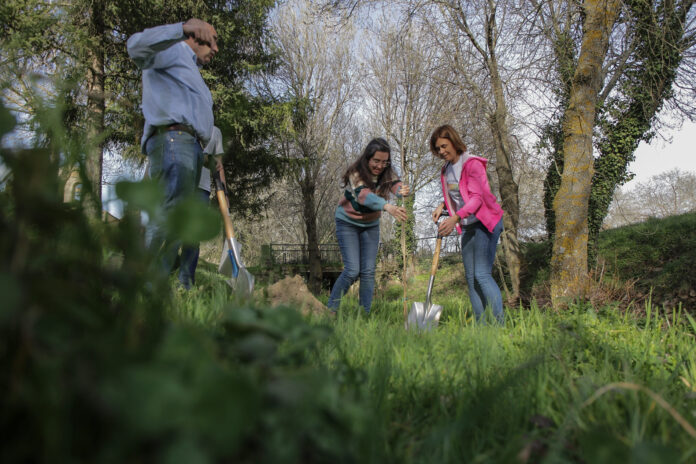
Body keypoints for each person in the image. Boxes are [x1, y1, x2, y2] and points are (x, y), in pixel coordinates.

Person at [127, 19, 219, 286]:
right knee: (168, 215)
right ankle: (139, 284)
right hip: (173, 141)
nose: (215, 49)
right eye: (212, 40)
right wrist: (182, 28)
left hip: (189, 147)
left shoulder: (189, 66)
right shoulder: (173, 49)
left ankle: (154, 291)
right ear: (196, 35)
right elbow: (135, 47)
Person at [430, 125, 505, 324]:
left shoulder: (472, 165)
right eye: (438, 148)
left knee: (481, 274)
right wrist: (442, 206)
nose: (442, 151)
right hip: (469, 224)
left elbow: (477, 198)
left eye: (444, 146)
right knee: (471, 279)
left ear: (454, 142)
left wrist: (455, 218)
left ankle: (500, 326)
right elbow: (458, 194)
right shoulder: (445, 170)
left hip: (486, 222)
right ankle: (481, 328)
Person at [327, 137, 409, 315]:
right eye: (376, 161)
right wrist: (387, 206)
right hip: (348, 222)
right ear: (367, 158)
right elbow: (364, 196)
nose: (380, 166)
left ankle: (364, 314)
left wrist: (401, 190)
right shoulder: (356, 172)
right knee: (352, 270)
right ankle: (331, 310)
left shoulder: (388, 172)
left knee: (368, 271)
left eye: (384, 162)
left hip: (370, 225)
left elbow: (394, 185)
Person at [179, 126, 225, 289]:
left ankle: (185, 285)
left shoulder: (215, 132)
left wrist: (224, 193)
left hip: (202, 188)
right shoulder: (184, 123)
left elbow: (219, 164)